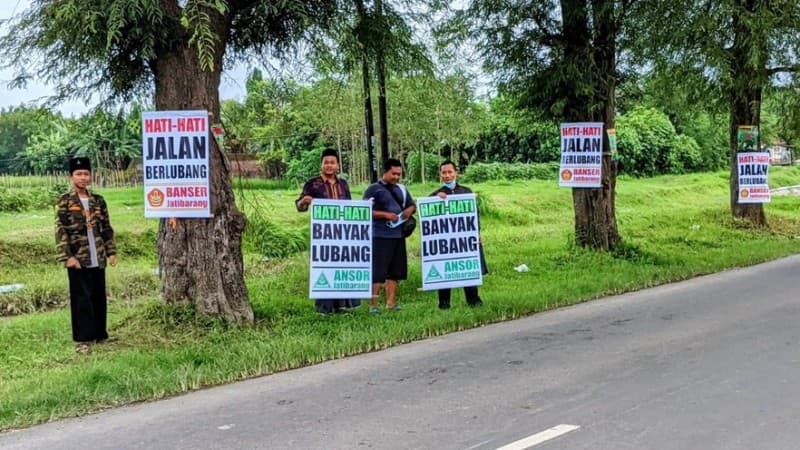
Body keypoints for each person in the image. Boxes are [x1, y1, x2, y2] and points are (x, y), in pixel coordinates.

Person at [55, 157, 118, 354]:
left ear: (91, 176)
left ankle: (100, 334)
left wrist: (111, 251)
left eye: (86, 174)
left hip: (97, 254)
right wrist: (68, 257)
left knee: (99, 295)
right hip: (78, 257)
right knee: (81, 298)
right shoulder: (65, 202)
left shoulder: (98, 200)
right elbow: (60, 231)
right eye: (78, 174)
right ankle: (84, 339)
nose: (83, 177)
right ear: (71, 176)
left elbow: (106, 228)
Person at [296, 148, 361, 314]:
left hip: (343, 233)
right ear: (321, 165)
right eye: (326, 162)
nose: (329, 166)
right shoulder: (313, 184)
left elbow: (350, 208)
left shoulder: (343, 184)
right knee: (324, 267)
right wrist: (305, 201)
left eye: (332, 162)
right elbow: (299, 206)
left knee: (341, 267)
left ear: (338, 165)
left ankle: (342, 306)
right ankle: (324, 308)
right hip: (323, 235)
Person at [429, 160, 488, 309]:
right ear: (440, 175)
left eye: (450, 172)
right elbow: (428, 218)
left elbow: (474, 216)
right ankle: (444, 304)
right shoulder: (435, 195)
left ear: (456, 173)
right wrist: (435, 200)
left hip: (465, 240)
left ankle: (474, 301)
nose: (447, 176)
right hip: (446, 243)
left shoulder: (466, 192)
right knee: (444, 270)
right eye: (444, 173)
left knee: (468, 268)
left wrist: (477, 233)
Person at [363, 158, 416, 314]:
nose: (396, 177)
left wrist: (409, 210)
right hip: (380, 235)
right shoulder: (373, 189)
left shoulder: (402, 189)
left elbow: (412, 205)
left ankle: (391, 303)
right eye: (393, 174)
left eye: (399, 174)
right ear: (384, 172)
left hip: (399, 235)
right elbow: (364, 211)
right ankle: (373, 304)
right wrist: (384, 214)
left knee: (395, 271)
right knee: (378, 271)